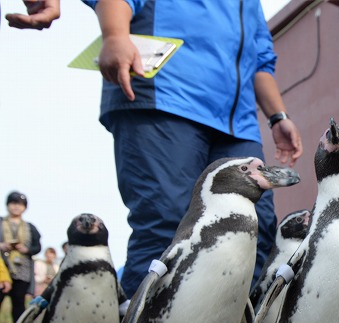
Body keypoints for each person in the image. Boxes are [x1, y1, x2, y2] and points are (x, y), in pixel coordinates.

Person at [81, 0, 303, 298]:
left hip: (237, 122)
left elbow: (259, 59)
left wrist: (278, 117)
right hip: (165, 94)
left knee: (255, 225)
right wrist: (114, 35)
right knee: (167, 223)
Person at [0, 192, 42, 323]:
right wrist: (2, 245)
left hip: (22, 271)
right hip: (2, 268)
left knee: (18, 302)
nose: (16, 207)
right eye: (13, 203)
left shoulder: (30, 227)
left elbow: (37, 247)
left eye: (20, 204)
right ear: (7, 205)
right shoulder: (1, 222)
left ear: (24, 207)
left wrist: (26, 249)